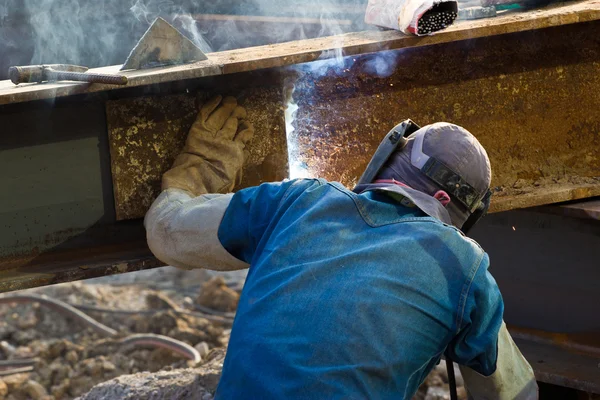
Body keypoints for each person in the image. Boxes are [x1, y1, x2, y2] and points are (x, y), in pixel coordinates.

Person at [145, 95, 538, 399]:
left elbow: (166, 232)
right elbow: (518, 394)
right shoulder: (462, 266)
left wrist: (204, 163)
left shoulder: (296, 202)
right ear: (462, 213)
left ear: (389, 159)